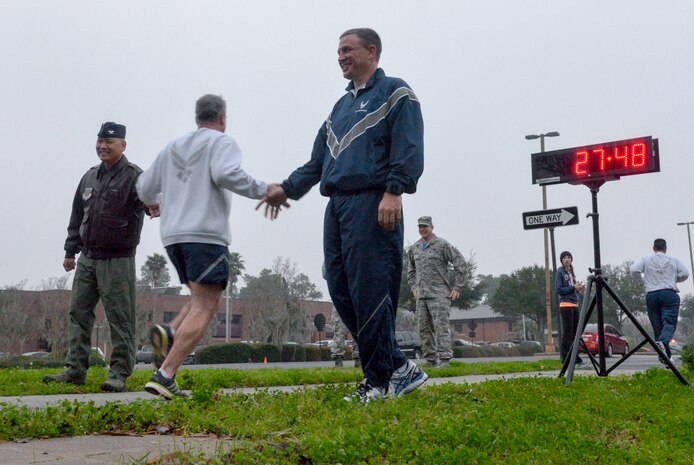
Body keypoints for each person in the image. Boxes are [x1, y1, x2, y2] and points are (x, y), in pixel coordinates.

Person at [259, 28, 427, 402]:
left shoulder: (396, 93)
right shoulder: (339, 108)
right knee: (341, 290)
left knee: (370, 290)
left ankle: (378, 381)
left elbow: (409, 146)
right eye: (337, 51)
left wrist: (394, 191)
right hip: (336, 206)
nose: (340, 56)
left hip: (374, 201)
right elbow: (318, 162)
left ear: (372, 51)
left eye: (347, 49)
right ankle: (398, 367)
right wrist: (286, 188)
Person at [136, 94, 276, 399]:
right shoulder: (222, 143)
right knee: (207, 304)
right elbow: (226, 174)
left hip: (173, 235)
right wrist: (265, 190)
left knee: (200, 296)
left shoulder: (172, 146)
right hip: (205, 234)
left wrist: (156, 203)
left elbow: (144, 186)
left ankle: (170, 331)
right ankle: (165, 374)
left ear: (197, 117)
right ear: (222, 117)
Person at [43, 122, 148, 393]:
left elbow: (151, 199)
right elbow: (78, 216)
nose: (102, 146)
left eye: (109, 142)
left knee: (119, 317)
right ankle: (74, 369)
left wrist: (154, 203)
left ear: (123, 145)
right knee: (78, 313)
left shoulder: (134, 176)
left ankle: (119, 373)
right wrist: (70, 251)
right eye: (99, 141)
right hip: (88, 259)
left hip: (118, 260)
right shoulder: (89, 177)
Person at [407, 216, 466, 368]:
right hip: (422, 296)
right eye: (420, 227)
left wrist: (457, 287)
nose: (422, 229)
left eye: (425, 226)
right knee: (424, 329)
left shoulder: (442, 245)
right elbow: (411, 270)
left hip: (439, 294)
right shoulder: (415, 247)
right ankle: (430, 359)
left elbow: (460, 263)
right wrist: (414, 287)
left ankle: (445, 359)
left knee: (441, 327)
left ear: (432, 227)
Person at [630, 238, 689, 363]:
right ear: (666, 248)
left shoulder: (646, 259)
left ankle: (665, 357)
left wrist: (642, 282)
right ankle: (663, 344)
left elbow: (634, 270)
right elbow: (685, 273)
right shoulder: (673, 259)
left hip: (652, 294)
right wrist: (674, 279)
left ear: (653, 248)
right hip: (668, 293)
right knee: (669, 323)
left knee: (657, 326)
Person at [555, 250, 586, 367]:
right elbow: (559, 289)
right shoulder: (560, 272)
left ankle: (575, 357)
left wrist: (578, 290)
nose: (567, 259)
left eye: (569, 257)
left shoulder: (571, 272)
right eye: (564, 258)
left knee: (576, 333)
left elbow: (572, 288)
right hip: (565, 305)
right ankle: (566, 358)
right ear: (562, 260)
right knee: (568, 333)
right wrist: (573, 288)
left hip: (574, 304)